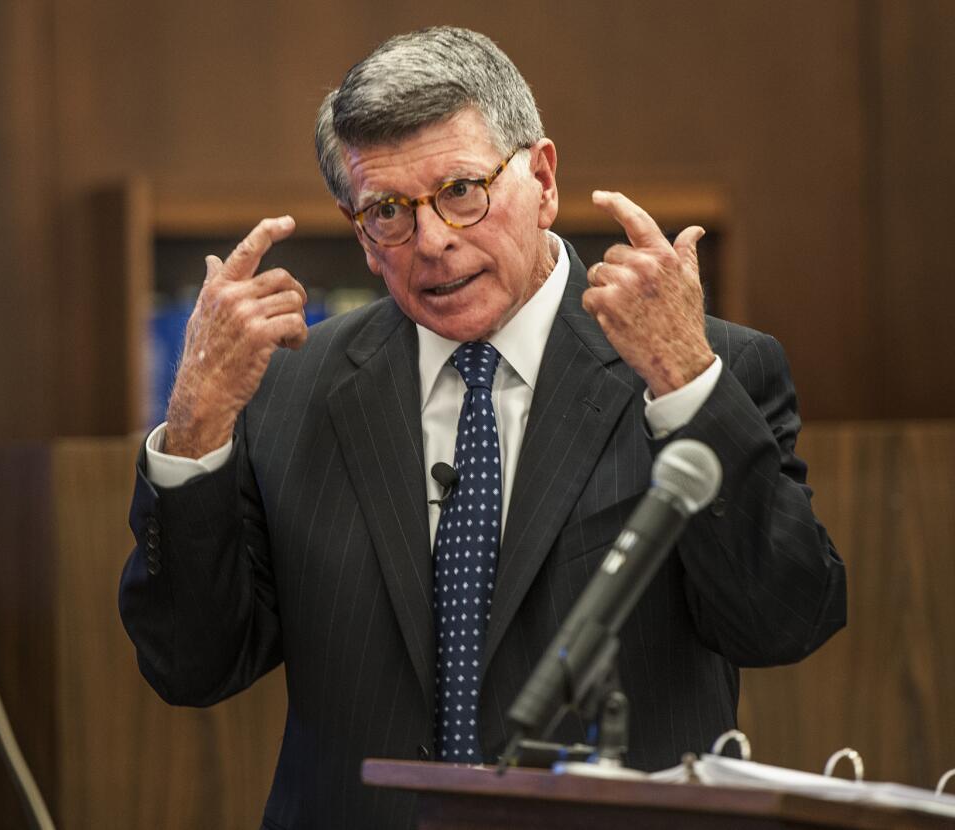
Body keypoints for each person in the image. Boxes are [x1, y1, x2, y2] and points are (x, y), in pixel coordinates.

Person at [120, 26, 846, 830]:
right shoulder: (287, 391)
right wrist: (192, 427)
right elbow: (193, 665)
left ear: (541, 178)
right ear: (358, 230)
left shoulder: (700, 369)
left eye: (463, 190)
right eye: (388, 211)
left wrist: (686, 387)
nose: (432, 242)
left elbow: (783, 622)